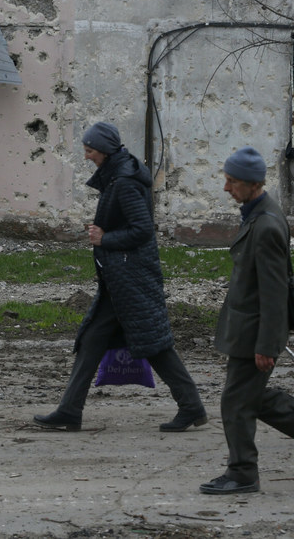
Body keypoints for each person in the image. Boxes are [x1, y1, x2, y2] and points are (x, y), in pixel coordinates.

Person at [33, 122, 206, 433]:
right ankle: (70, 410)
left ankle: (191, 406)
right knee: (93, 340)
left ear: (104, 151)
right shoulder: (117, 175)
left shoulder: (124, 182)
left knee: (154, 344)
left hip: (131, 278)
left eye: (89, 150)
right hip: (121, 278)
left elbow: (142, 230)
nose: (86, 156)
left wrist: (105, 239)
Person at [201, 146, 294, 495]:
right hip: (247, 328)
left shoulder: (265, 224)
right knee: (251, 397)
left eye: (231, 181)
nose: (226, 188)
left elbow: (275, 292)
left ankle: (243, 473)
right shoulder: (256, 214)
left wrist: (266, 344)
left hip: (255, 333)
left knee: (236, 401)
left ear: (252, 184)